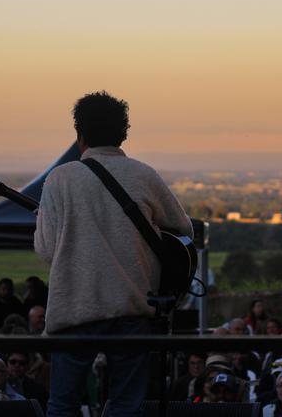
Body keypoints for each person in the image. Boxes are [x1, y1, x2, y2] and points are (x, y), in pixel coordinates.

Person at [34, 91, 193, 417]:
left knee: (62, 405)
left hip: (74, 311)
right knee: (126, 405)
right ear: (124, 133)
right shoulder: (144, 175)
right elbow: (183, 230)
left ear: (79, 135)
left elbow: (47, 250)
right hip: (132, 307)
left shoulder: (60, 179)